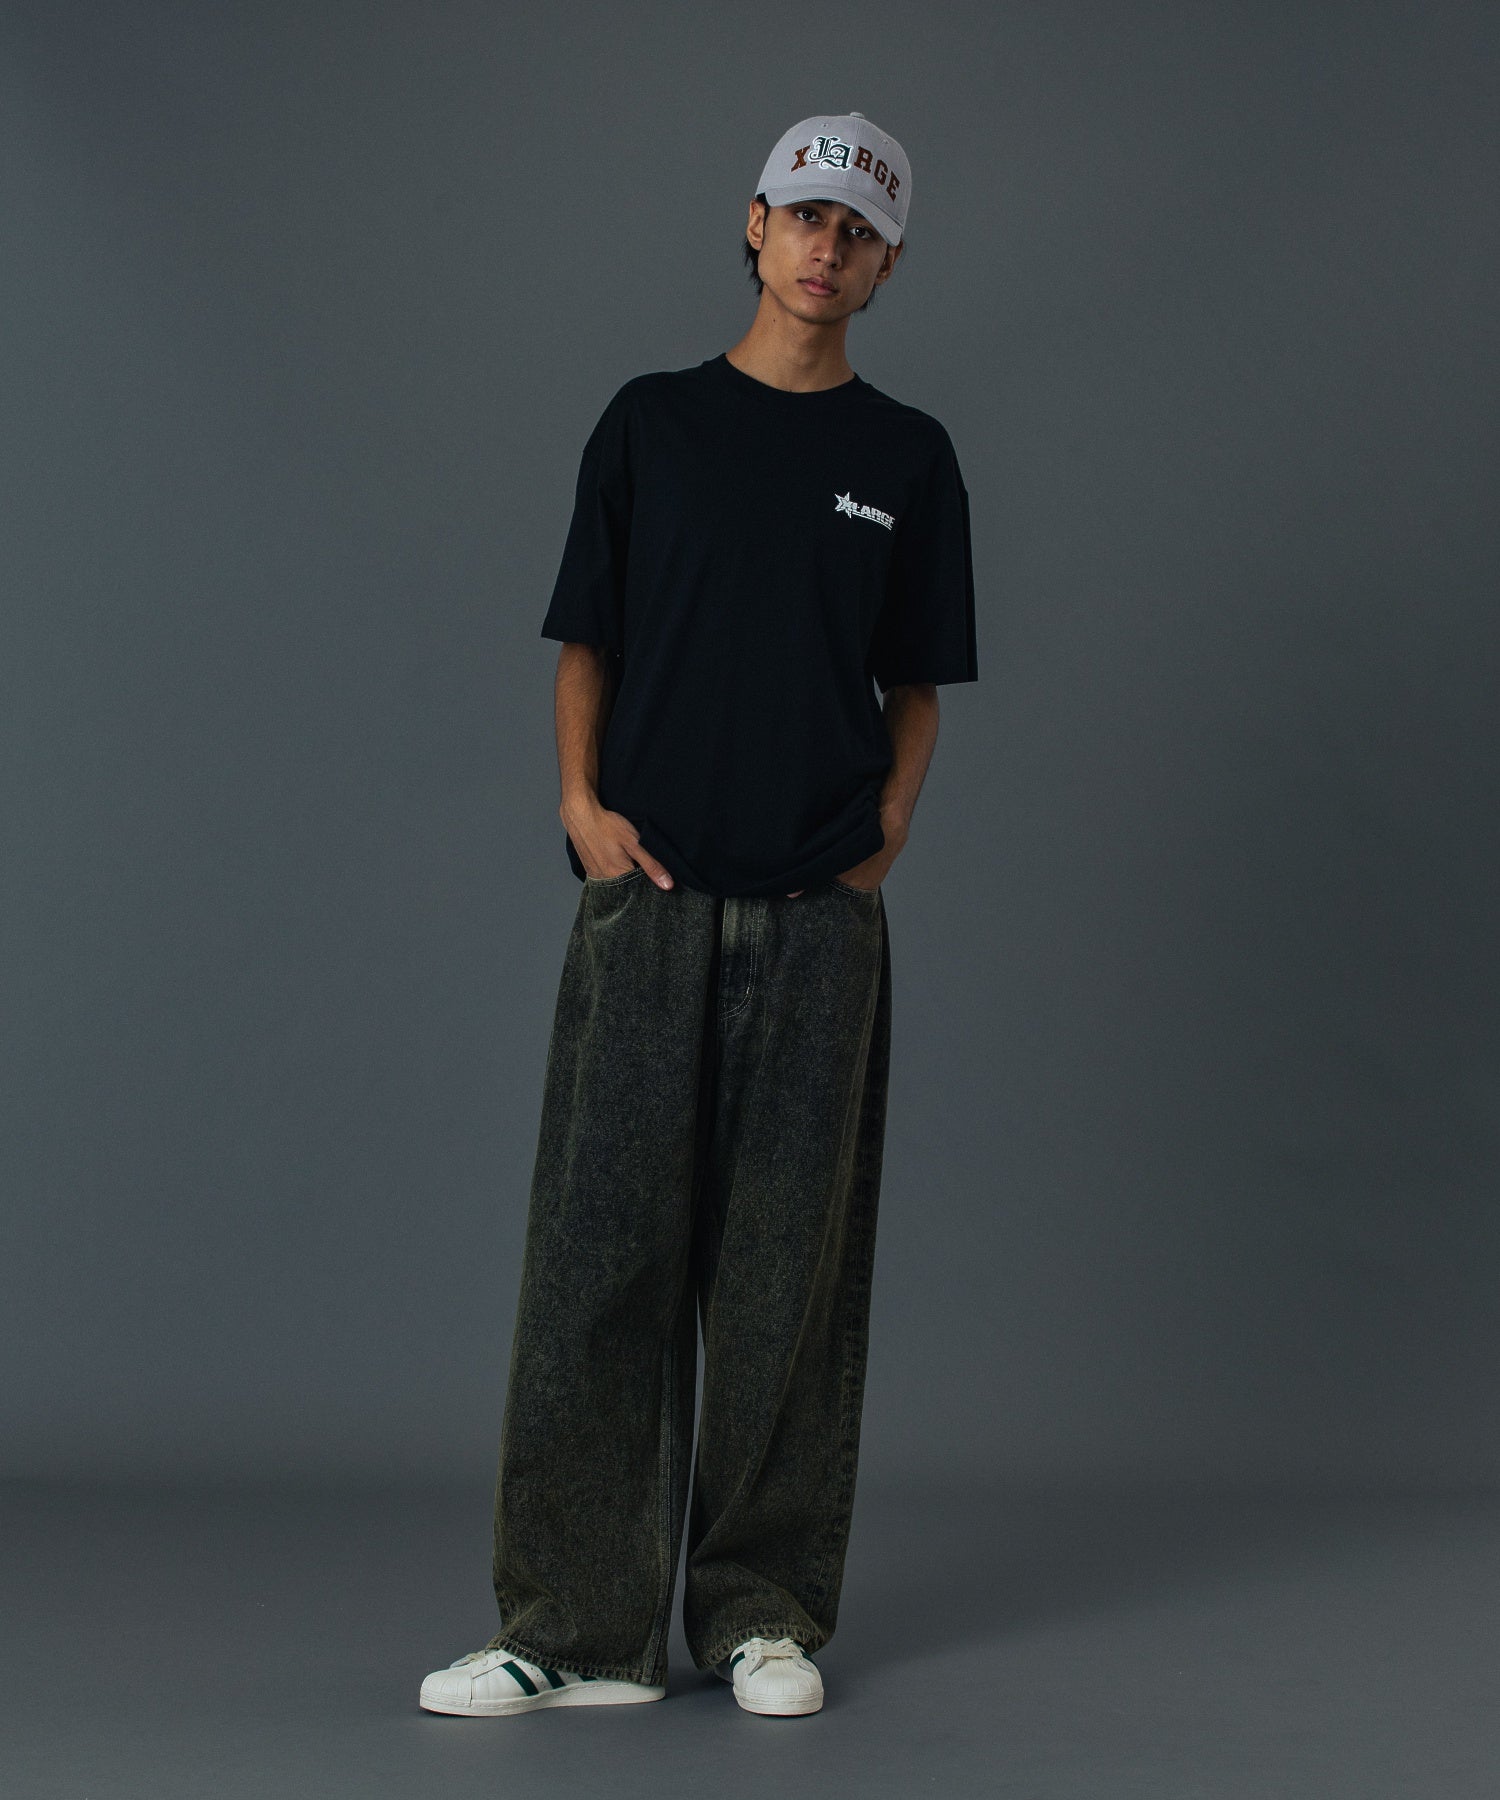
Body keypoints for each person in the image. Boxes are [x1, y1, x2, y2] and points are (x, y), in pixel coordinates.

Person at [419, 109, 977, 1722]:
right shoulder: (650, 425)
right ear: (753, 224)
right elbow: (585, 641)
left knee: (787, 1278)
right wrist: (581, 812)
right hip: (649, 905)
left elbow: (917, 683)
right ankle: (574, 1631)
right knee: (597, 1268)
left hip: (817, 921)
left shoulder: (908, 458)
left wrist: (881, 840)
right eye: (804, 216)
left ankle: (760, 1615)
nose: (825, 248)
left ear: (885, 266)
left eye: (858, 231)